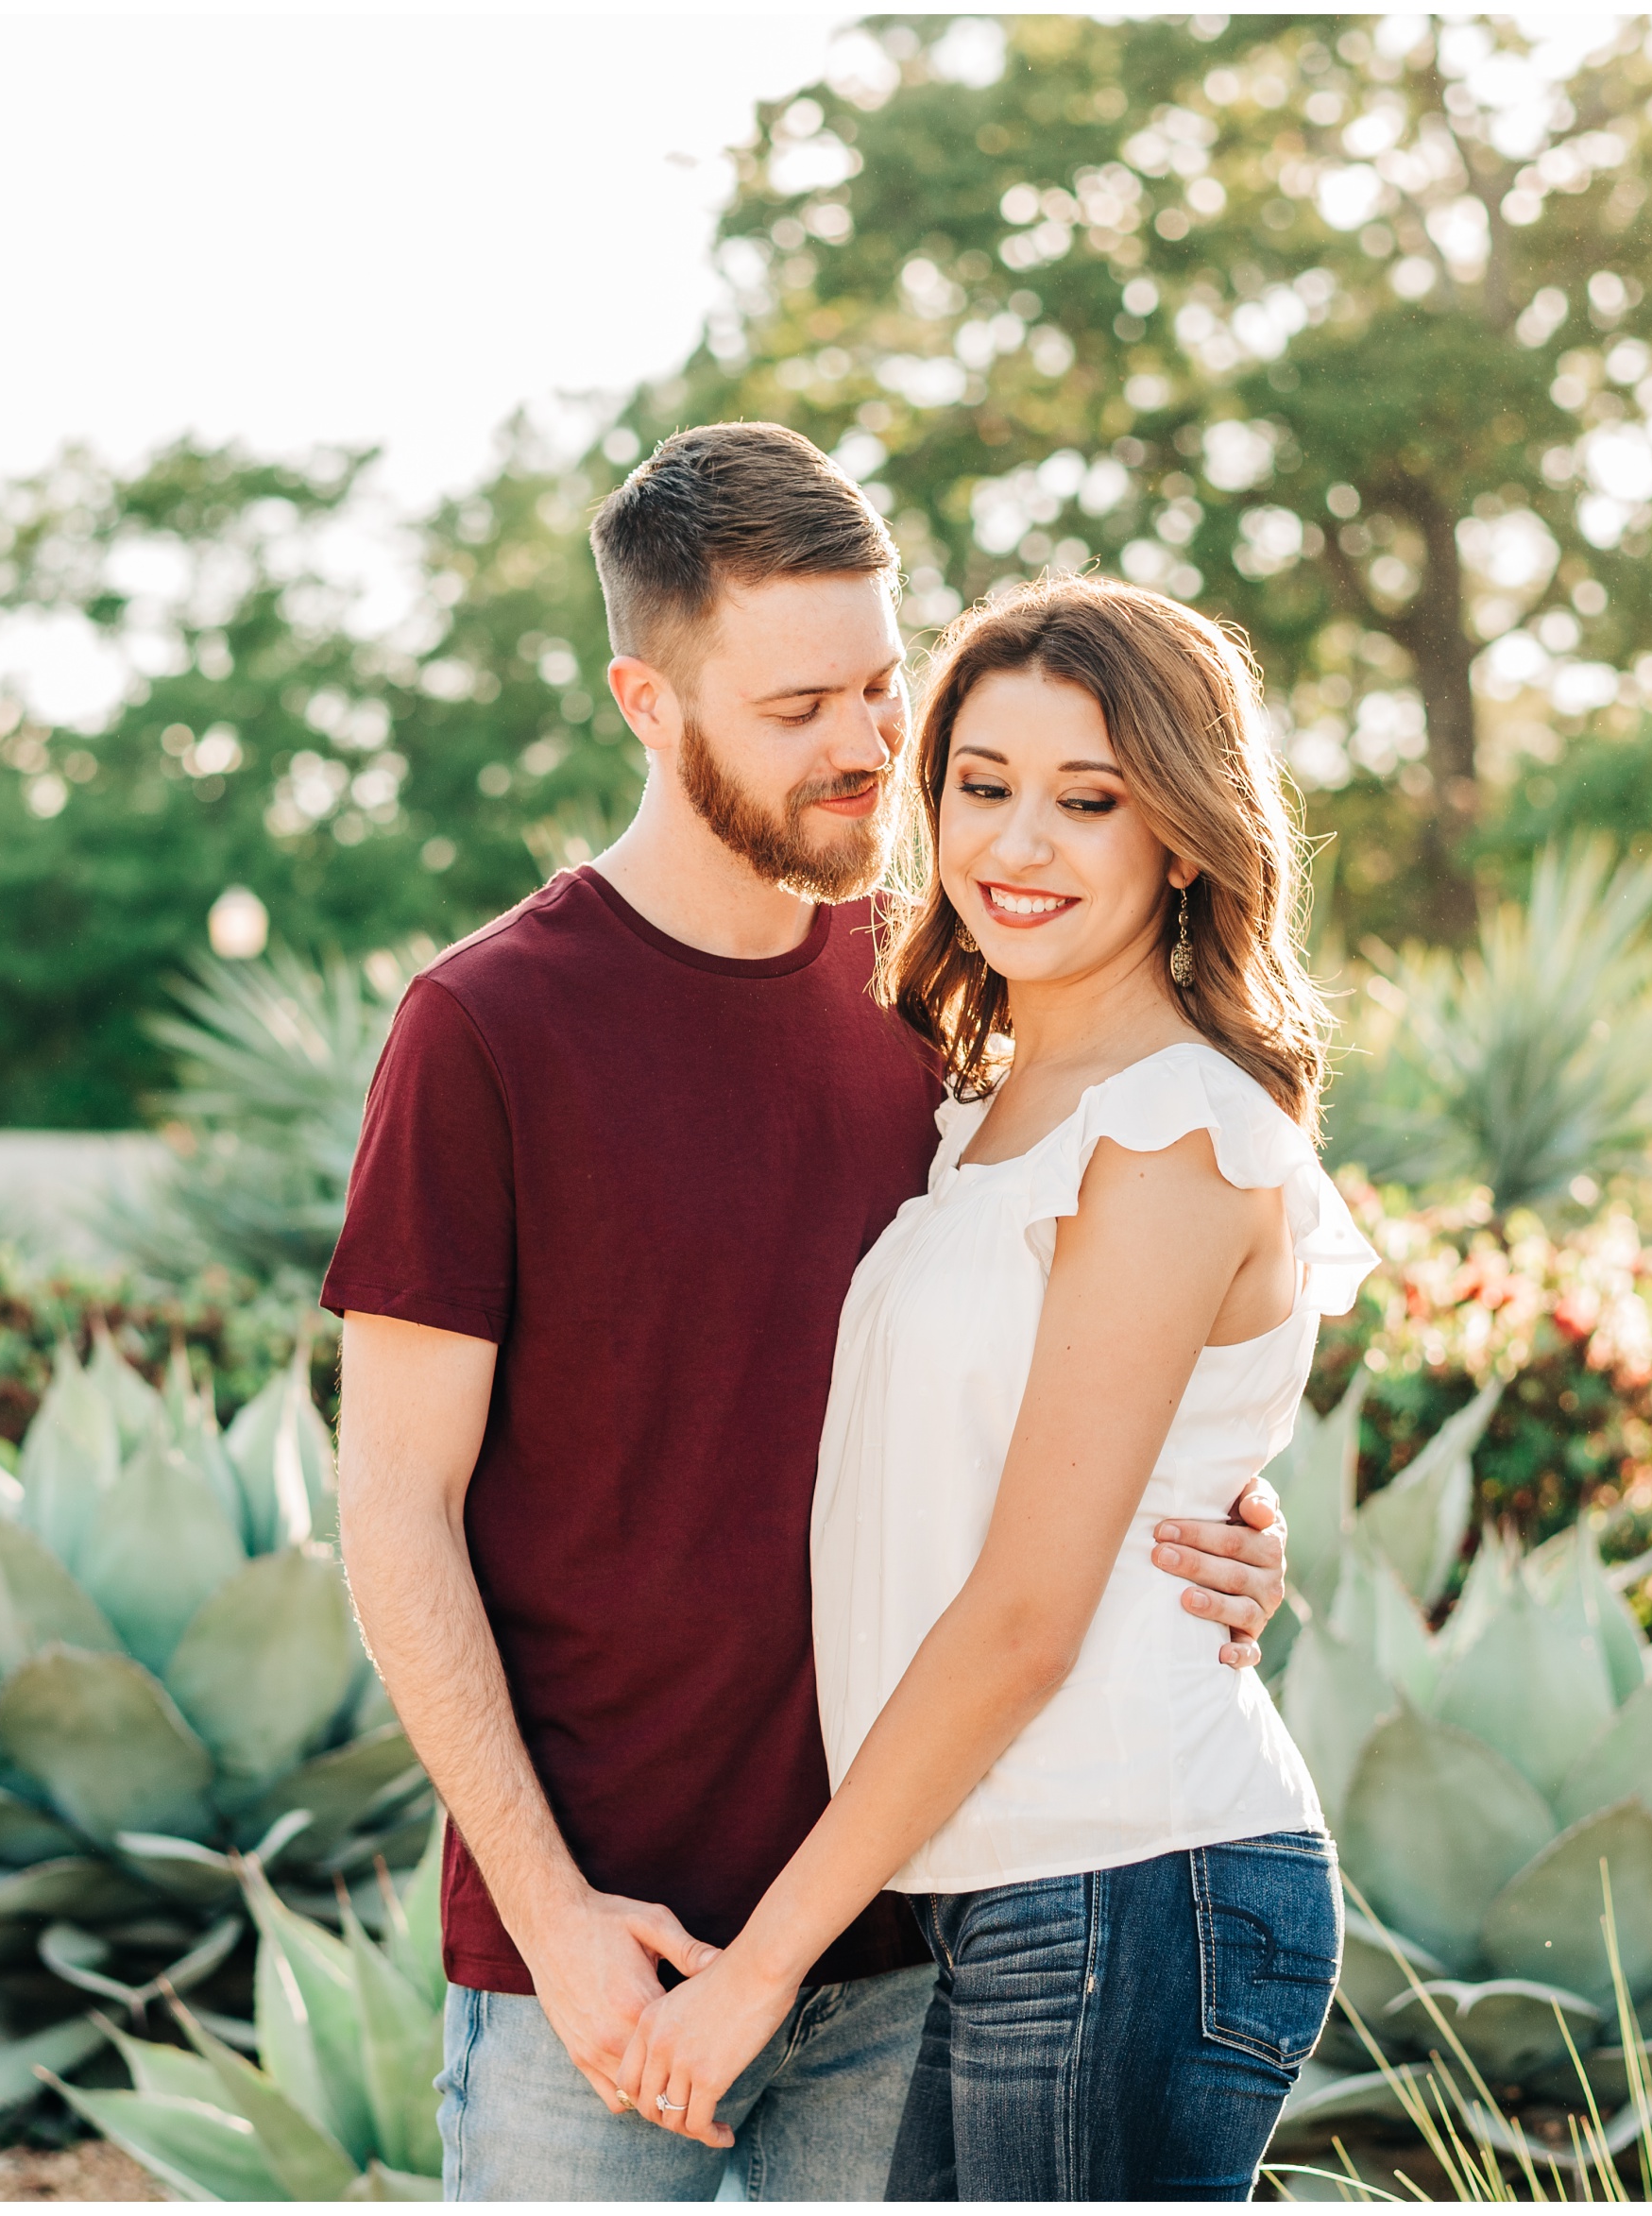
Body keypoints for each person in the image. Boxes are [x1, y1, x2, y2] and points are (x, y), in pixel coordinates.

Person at [326, 425, 1294, 2203]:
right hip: (594, 1960)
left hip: (917, 1935)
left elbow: (1068, 1361)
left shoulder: (946, 995)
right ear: (648, 698)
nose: (863, 745)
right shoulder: (487, 1029)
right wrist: (555, 1920)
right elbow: (393, 1507)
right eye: (796, 709)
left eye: (880, 683)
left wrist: (1217, 1503)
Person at [605, 573, 1374, 2199]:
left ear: (1182, 831)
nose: (1019, 845)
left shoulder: (1166, 1129)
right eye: (983, 784)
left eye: (1088, 800)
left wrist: (756, 1971)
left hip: (1125, 1871)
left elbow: (1028, 1612)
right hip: (1030, 1893)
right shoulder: (989, 1110)